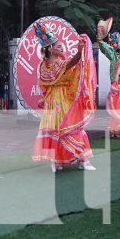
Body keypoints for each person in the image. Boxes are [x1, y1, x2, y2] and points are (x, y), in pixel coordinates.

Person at [32, 22, 97, 172]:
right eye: (58, 46)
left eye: (61, 45)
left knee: (59, 128)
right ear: (50, 48)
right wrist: (80, 52)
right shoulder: (55, 64)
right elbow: (72, 63)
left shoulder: (44, 66)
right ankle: (76, 161)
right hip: (59, 100)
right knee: (71, 127)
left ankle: (72, 161)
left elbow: (46, 84)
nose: (61, 47)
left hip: (53, 100)